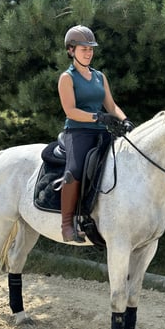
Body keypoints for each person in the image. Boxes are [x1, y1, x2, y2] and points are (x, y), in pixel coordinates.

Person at [58, 25, 134, 242]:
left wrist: (124, 119)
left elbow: (110, 105)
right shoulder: (67, 78)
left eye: (90, 49)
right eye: (84, 49)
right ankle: (66, 225)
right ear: (71, 50)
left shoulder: (100, 76)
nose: (89, 53)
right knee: (74, 170)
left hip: (102, 131)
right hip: (78, 131)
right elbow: (70, 110)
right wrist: (96, 117)